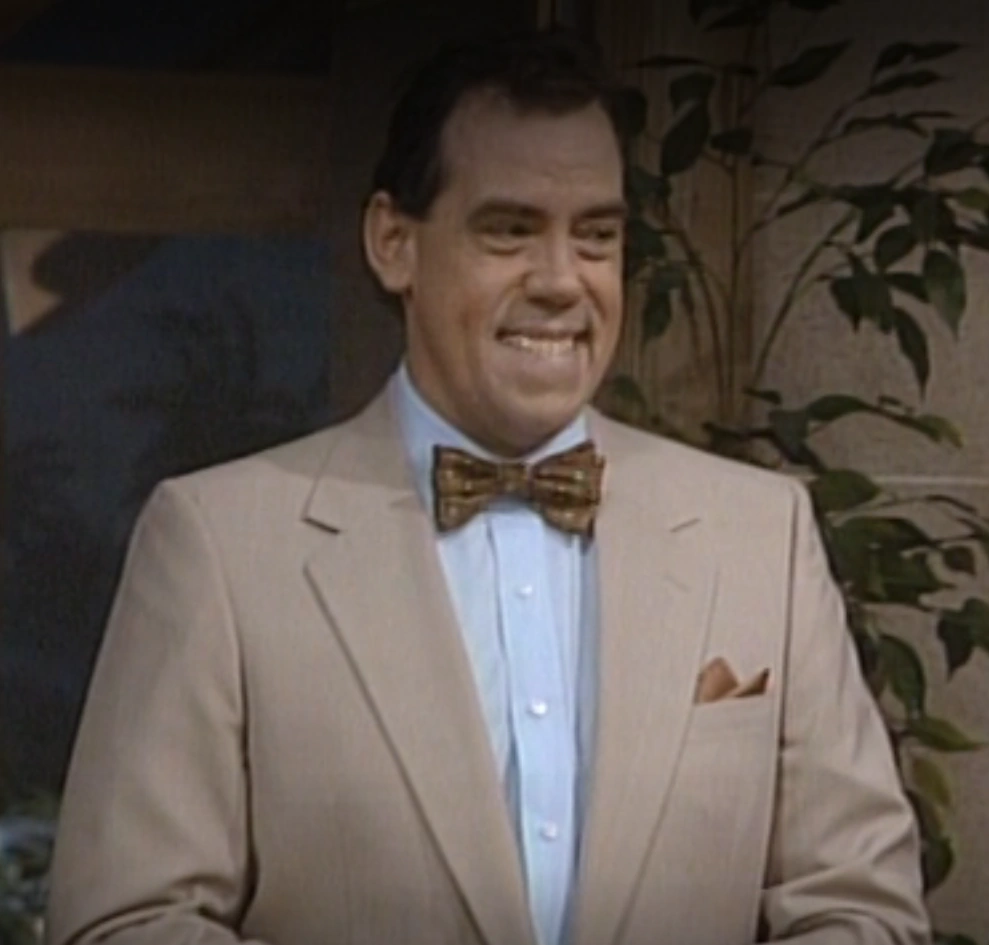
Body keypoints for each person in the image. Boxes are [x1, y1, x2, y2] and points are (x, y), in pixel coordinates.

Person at [46, 28, 930, 945]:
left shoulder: (760, 534)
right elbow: (122, 922)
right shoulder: (218, 541)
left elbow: (862, 905)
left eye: (595, 236)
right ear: (394, 242)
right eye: (509, 230)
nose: (560, 281)